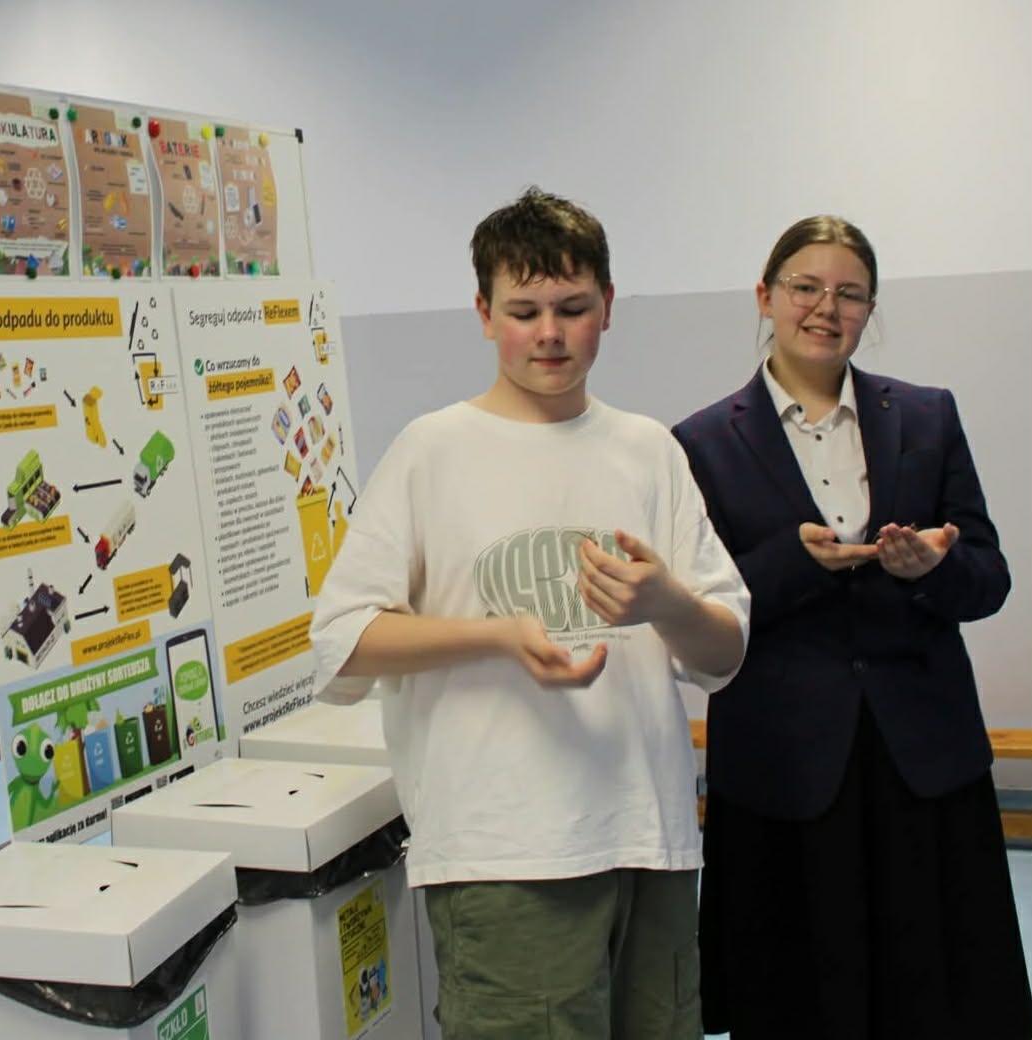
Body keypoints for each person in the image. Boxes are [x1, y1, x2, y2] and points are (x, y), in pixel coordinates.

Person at [310, 187, 749, 1039]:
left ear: (607, 307)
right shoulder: (432, 451)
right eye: (523, 312)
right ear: (483, 314)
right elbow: (341, 641)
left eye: (572, 308)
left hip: (650, 836)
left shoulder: (648, 450)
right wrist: (498, 636)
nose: (549, 333)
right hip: (504, 850)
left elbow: (724, 651)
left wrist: (665, 602)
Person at [672, 215, 1032, 1039]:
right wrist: (795, 563)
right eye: (804, 287)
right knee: (800, 997)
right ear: (764, 296)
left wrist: (930, 570)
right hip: (783, 762)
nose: (824, 308)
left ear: (869, 309)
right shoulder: (698, 442)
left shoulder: (927, 416)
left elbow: (988, 579)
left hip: (921, 755)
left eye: (849, 294)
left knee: (934, 995)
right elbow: (699, 611)